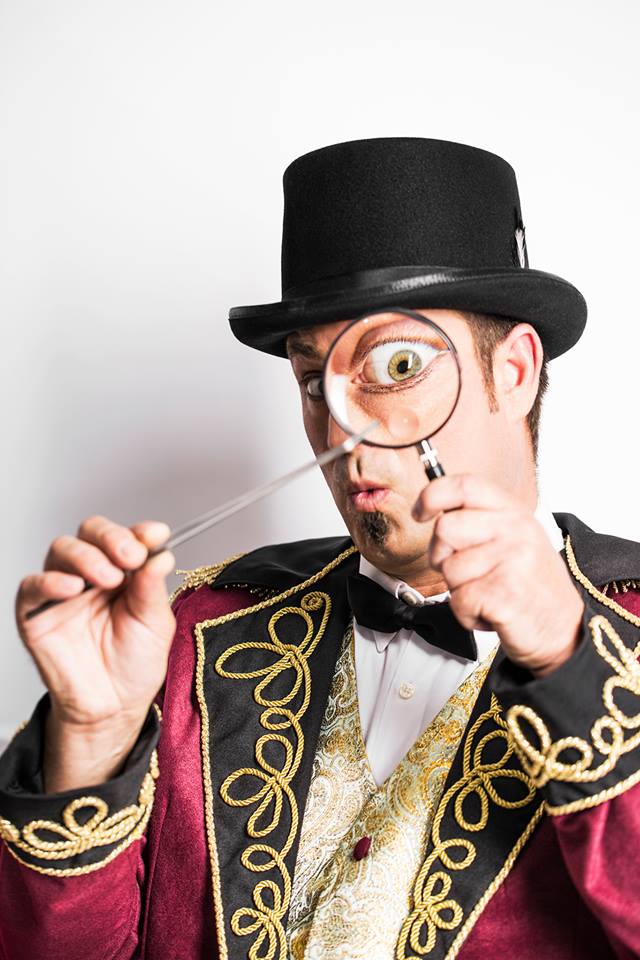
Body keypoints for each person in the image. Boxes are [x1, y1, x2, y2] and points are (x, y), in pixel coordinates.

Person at [1, 137, 639, 960]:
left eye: (397, 364)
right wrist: (91, 737)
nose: (342, 429)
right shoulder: (186, 634)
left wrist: (570, 665)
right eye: (314, 382)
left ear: (512, 371)